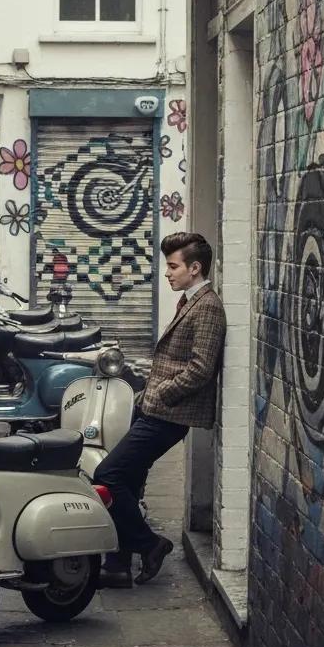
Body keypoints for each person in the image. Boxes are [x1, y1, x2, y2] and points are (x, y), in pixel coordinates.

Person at [94, 232, 227, 588]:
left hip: (168, 416)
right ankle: (117, 565)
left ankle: (151, 545)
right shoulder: (190, 301)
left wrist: (162, 394)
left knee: (108, 475)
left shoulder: (208, 308)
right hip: (153, 408)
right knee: (130, 484)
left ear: (194, 268)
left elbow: (201, 368)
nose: (166, 273)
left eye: (173, 266)